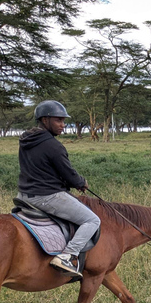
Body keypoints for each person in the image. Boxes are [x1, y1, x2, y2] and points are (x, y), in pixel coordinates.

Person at [17, 100, 100, 279]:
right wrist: (81, 182)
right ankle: (67, 256)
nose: (63, 125)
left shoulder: (26, 140)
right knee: (92, 220)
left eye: (64, 121)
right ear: (45, 120)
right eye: (58, 120)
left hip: (24, 195)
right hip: (47, 196)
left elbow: (43, 168)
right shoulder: (53, 145)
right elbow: (69, 175)